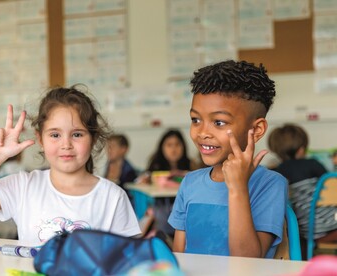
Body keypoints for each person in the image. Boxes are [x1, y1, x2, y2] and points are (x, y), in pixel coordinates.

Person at [0, 85, 141, 245]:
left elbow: (128, 260)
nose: (66, 144)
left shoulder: (112, 197)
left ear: (93, 138)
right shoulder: (23, 186)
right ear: (40, 139)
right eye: (55, 135)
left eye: (77, 134)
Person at [168, 60, 288, 258]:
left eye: (219, 122)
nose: (203, 132)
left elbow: (247, 263)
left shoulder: (270, 184)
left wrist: (238, 188)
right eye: (195, 119)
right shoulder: (190, 182)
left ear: (256, 130)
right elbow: (179, 257)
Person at [268, 123, 332, 260]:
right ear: (302, 149)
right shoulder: (314, 164)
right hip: (332, 227)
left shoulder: (276, 174)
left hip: (304, 232)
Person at [137, 129, 197, 239]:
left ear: (183, 147)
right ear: (162, 148)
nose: (173, 149)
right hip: (161, 210)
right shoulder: (155, 165)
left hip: (185, 210)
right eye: (169, 145)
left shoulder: (191, 165)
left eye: (177, 144)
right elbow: (141, 181)